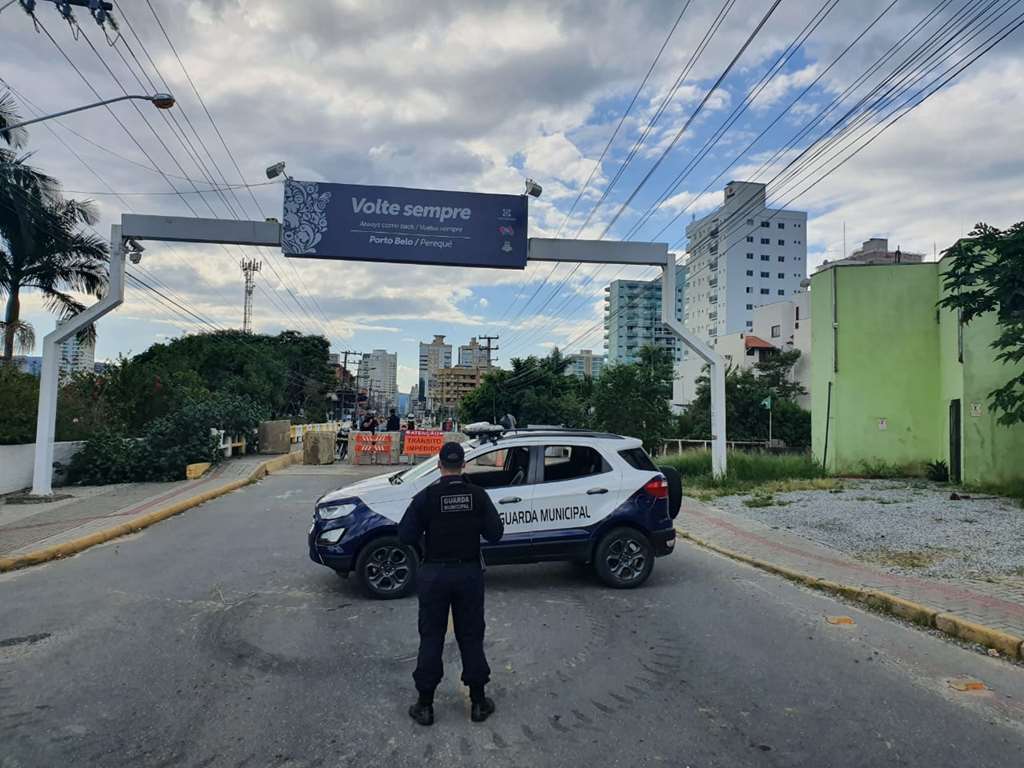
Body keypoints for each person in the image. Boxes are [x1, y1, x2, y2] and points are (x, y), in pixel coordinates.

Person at [398, 442, 504, 726]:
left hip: (433, 576)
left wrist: (426, 541)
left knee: (431, 637)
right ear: (464, 466)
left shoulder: (426, 497)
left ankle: (425, 705)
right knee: (470, 636)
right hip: (468, 574)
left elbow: (405, 535)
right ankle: (479, 703)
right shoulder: (478, 496)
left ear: (439, 466)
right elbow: (495, 533)